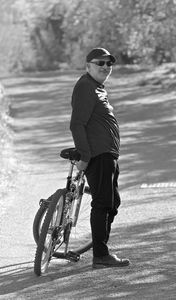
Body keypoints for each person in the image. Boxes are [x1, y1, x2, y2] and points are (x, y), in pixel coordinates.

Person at [70, 47, 130, 269]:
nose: (105, 67)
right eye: (100, 63)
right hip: (98, 155)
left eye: (109, 64)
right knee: (104, 203)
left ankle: (100, 248)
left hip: (108, 155)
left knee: (112, 202)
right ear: (88, 66)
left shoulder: (96, 88)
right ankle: (101, 255)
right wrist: (85, 155)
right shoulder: (86, 87)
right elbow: (77, 124)